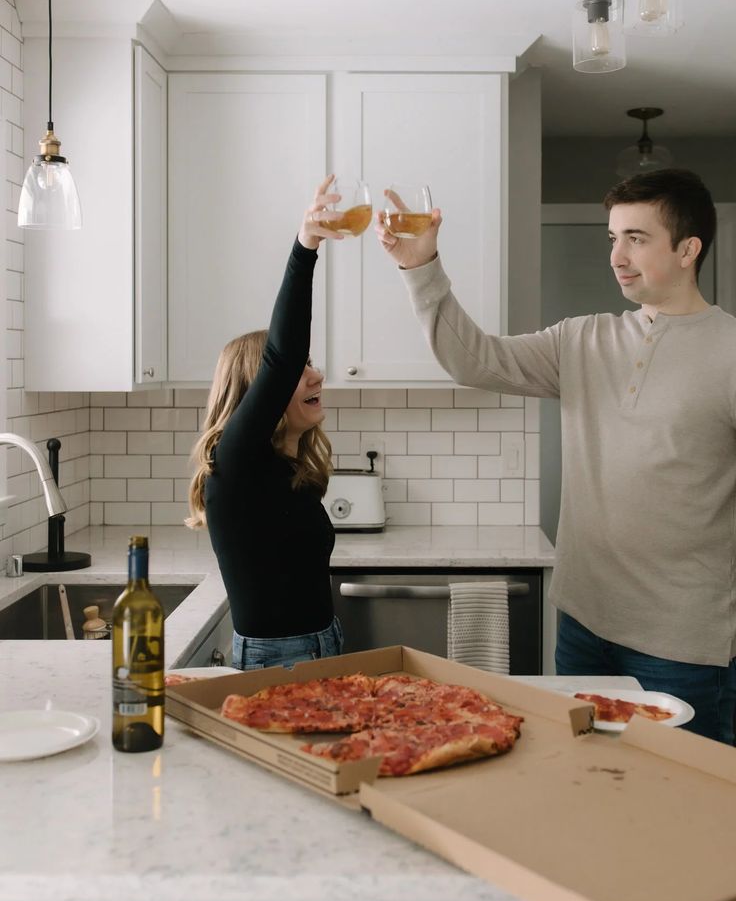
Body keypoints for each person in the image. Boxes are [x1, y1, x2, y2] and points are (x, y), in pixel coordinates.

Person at [376, 169, 736, 747]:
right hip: (583, 626)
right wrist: (421, 267)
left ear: (688, 249)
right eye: (612, 238)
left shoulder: (730, 351)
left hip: (684, 643)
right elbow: (477, 361)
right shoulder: (582, 340)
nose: (617, 255)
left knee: (689, 807)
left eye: (637, 238)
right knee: (587, 786)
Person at [187, 177, 345, 671]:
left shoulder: (284, 469)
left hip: (323, 644)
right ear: (262, 391)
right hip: (278, 663)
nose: (316, 374)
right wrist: (306, 246)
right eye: (302, 369)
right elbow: (283, 355)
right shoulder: (236, 461)